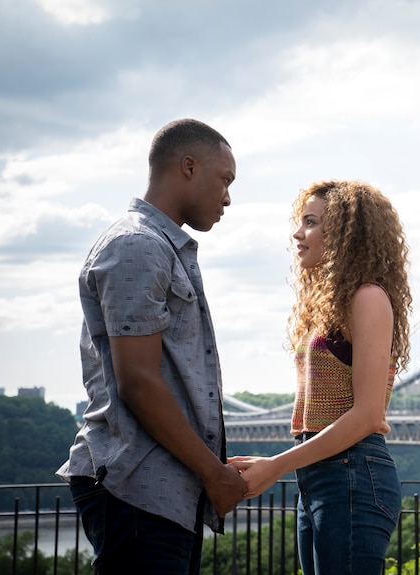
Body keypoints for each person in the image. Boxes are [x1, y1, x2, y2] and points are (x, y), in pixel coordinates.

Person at [56, 118, 247, 575]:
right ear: (188, 166)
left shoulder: (159, 245)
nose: (227, 197)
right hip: (136, 486)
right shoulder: (137, 245)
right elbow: (138, 383)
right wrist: (214, 472)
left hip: (161, 489)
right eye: (224, 180)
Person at [229, 179, 412, 575]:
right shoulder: (331, 305)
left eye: (310, 222)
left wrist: (275, 465)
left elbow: (367, 416)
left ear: (346, 234)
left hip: (352, 476)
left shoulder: (367, 298)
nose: (297, 233)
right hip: (319, 476)